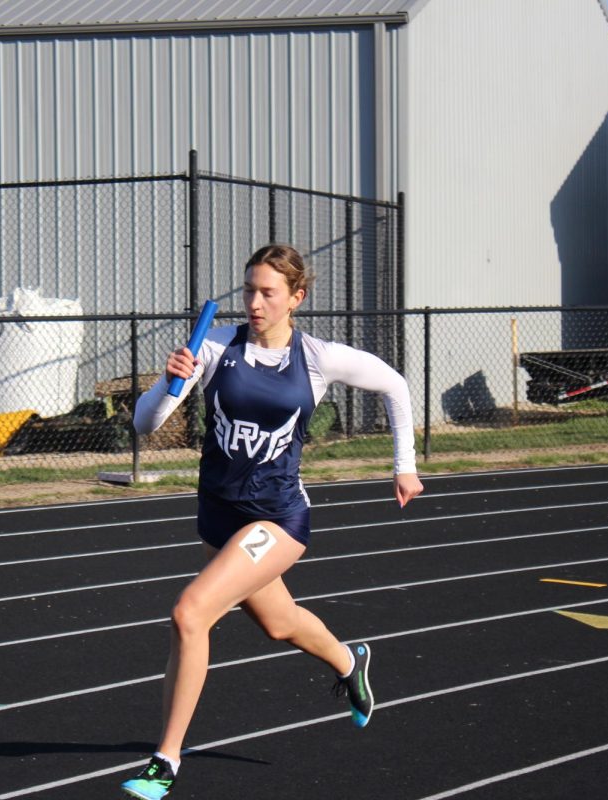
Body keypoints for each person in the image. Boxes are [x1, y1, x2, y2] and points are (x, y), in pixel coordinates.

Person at [120, 244, 424, 799]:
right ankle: (348, 660)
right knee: (279, 623)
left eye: (268, 293)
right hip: (219, 517)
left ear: (295, 298)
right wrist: (168, 383)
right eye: (249, 290)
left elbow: (395, 386)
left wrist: (404, 467)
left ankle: (166, 760)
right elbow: (146, 423)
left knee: (190, 614)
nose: (255, 303)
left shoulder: (317, 357)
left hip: (278, 518)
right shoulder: (213, 350)